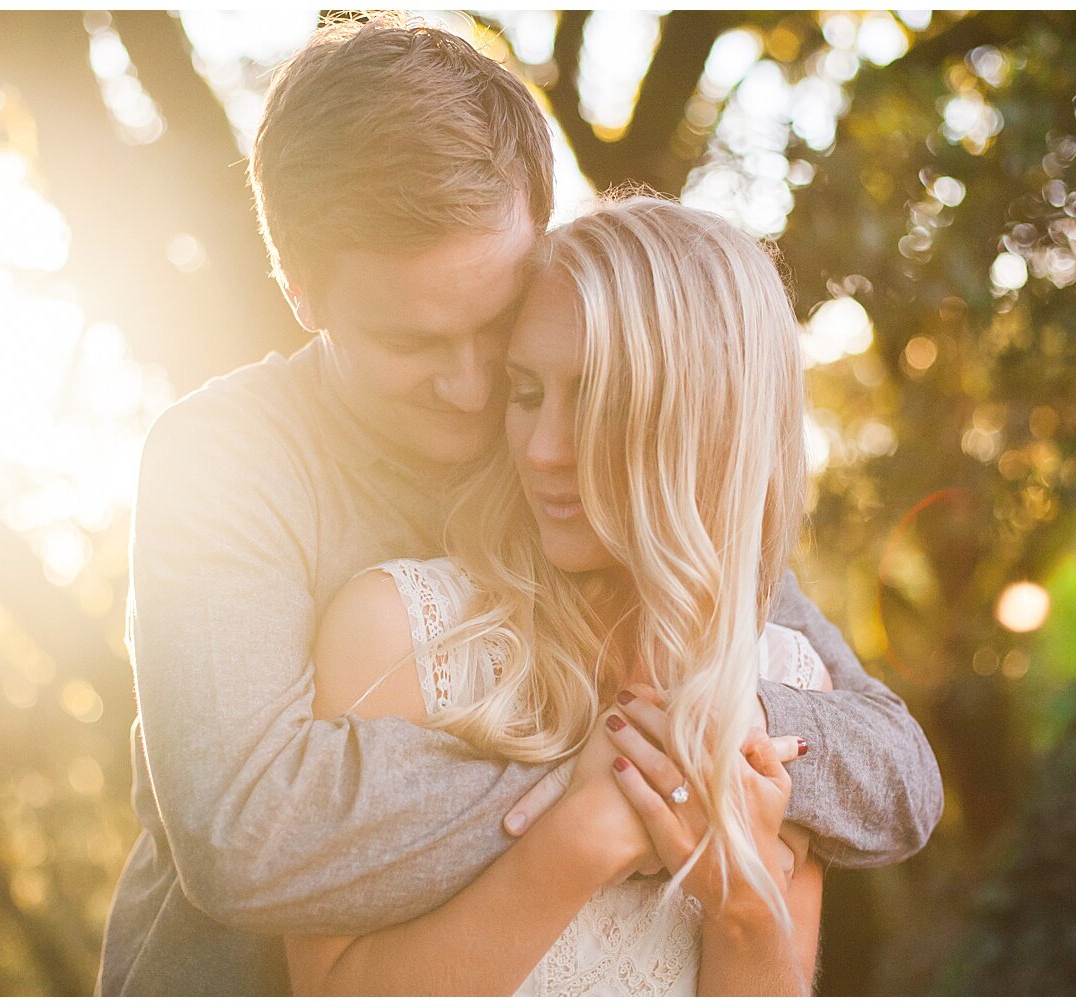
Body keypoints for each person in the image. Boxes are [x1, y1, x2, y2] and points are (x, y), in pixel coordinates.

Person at [97, 15, 941, 996]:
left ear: (540, 235)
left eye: (495, 321)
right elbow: (245, 835)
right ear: (299, 288)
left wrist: (721, 729)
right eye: (410, 342)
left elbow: (893, 775)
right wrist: (617, 783)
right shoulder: (226, 456)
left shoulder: (592, 448)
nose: (468, 386)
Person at [287, 194, 836, 995]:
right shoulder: (399, 633)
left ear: (707, 419)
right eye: (528, 392)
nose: (543, 451)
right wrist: (581, 839)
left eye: (597, 397)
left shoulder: (789, 682)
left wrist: (744, 901)